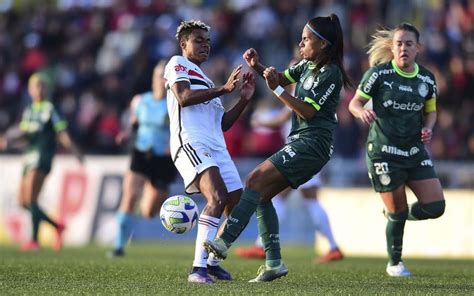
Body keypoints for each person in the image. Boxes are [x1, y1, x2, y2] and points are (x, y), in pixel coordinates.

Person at [205, 14, 351, 282]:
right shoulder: (306, 67)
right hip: (300, 142)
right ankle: (274, 262)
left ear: (323, 45)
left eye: (307, 40)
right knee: (261, 195)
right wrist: (257, 65)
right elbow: (280, 78)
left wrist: (278, 92)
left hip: (313, 145)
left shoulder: (331, 74)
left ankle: (223, 242)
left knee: (254, 179)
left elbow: (307, 112)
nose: (301, 43)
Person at [348, 23, 445, 277]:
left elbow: (431, 111)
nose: (403, 48)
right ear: (392, 48)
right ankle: (395, 263)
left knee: (436, 207)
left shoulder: (427, 78)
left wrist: (429, 127)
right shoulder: (379, 74)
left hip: (414, 152)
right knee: (398, 211)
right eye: (399, 43)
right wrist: (362, 111)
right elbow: (354, 103)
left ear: (418, 49)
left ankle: (393, 213)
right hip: (383, 151)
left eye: (409, 44)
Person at [165, 20, 255, 284]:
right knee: (216, 196)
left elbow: (223, 123)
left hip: (217, 147)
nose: (205, 45)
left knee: (237, 208)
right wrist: (224, 89)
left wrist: (244, 99)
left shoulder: (206, 80)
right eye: (198, 40)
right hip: (191, 142)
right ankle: (197, 269)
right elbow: (183, 97)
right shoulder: (177, 64)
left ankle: (213, 263)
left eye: (207, 41)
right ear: (184, 44)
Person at [235, 106, 343, 264]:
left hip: (301, 152)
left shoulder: (298, 90)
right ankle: (334, 248)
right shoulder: (305, 89)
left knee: (278, 197)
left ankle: (261, 246)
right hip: (306, 150)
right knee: (305, 200)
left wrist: (259, 122)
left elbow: (281, 119)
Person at [0, 72, 83, 251]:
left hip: (42, 155)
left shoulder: (50, 108)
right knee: (24, 202)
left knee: (31, 198)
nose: (39, 89)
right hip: (28, 155)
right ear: (29, 90)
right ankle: (57, 227)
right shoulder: (29, 110)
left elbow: (62, 133)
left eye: (42, 85)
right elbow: (24, 133)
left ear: (47, 89)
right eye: (35, 86)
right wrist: (8, 140)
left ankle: (34, 241)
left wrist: (75, 151)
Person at [107, 61, 178, 258]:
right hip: (141, 152)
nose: (161, 80)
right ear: (153, 78)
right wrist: (126, 134)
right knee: (129, 196)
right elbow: (134, 124)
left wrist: (173, 147)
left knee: (149, 211)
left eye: (166, 77)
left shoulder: (175, 104)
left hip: (163, 158)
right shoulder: (140, 101)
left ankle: (143, 204)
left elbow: (180, 132)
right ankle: (118, 247)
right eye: (159, 76)